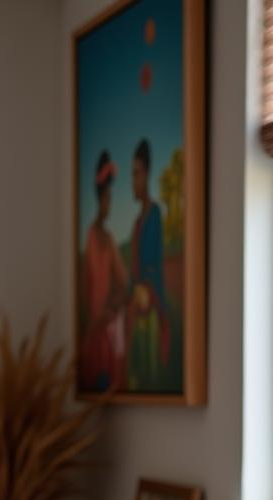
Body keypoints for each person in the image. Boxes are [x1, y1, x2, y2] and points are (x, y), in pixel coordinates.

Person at [80, 150, 127, 391]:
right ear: (100, 199)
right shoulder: (92, 236)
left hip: (104, 325)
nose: (110, 204)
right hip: (94, 325)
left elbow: (123, 282)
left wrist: (111, 307)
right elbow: (86, 283)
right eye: (108, 197)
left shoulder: (107, 238)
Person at [127, 138, 168, 390]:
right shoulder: (136, 222)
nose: (133, 181)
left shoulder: (154, 216)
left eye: (137, 174)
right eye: (132, 175)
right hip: (136, 306)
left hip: (149, 307)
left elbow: (154, 265)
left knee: (148, 369)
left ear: (147, 174)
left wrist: (146, 291)